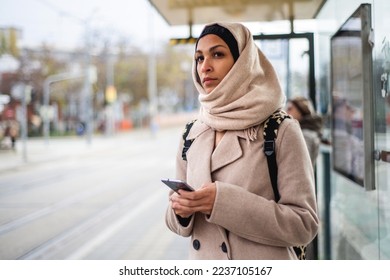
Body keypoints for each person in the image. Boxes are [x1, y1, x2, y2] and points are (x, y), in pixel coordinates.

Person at [165, 22, 318, 260]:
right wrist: (181, 211)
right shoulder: (191, 133)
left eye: (217, 54)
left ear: (242, 62)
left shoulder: (281, 129)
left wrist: (222, 202)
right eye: (199, 58)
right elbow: (174, 220)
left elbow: (303, 224)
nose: (205, 66)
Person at [286, 97, 323, 166]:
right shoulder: (307, 130)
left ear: (300, 111)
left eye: (290, 109)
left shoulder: (305, 134)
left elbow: (301, 163)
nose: (287, 112)